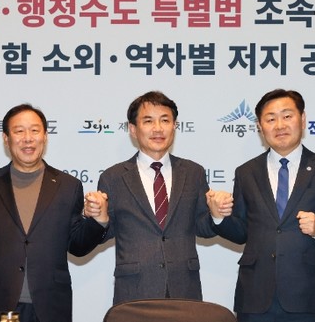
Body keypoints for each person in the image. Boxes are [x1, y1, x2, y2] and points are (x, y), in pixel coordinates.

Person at [0, 104, 108, 322]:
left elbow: (77, 247)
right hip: (1, 304)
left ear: (45, 136)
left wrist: (98, 221)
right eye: (19, 131)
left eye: (35, 130)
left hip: (51, 305)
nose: (28, 138)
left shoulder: (69, 186)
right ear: (6, 138)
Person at [208, 89, 315, 322]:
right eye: (270, 119)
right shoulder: (246, 172)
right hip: (255, 296)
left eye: (287, 116)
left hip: (307, 295)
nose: (279, 125)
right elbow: (241, 232)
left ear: (302, 119)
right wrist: (219, 217)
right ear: (260, 126)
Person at [90, 91, 220, 304]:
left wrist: (216, 215)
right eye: (148, 121)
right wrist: (100, 220)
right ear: (133, 129)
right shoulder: (113, 177)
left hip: (184, 289)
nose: (158, 129)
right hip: (135, 290)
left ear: (175, 126)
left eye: (165, 120)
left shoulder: (193, 172)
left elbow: (203, 228)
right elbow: (103, 235)